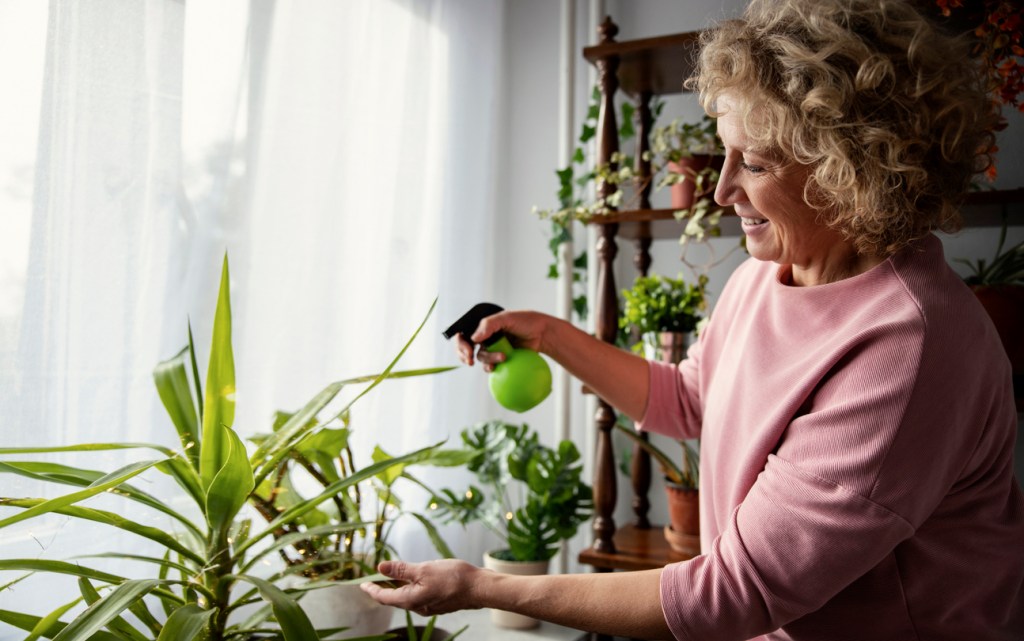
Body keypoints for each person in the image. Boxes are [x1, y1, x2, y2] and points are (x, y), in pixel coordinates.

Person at [362, 0, 1024, 638]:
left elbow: (733, 592)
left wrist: (483, 587)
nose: (720, 188)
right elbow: (692, 399)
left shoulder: (908, 346)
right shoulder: (761, 278)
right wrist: (550, 334)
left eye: (755, 163)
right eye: (724, 152)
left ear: (852, 171)